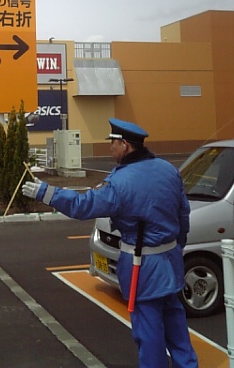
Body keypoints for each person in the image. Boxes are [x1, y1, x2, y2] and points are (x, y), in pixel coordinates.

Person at [23, 118, 198, 368]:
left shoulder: (120, 183)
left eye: (113, 142)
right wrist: (176, 245)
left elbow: (84, 206)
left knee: (150, 337)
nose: (110, 148)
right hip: (170, 262)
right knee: (177, 330)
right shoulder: (168, 170)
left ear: (125, 145)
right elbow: (183, 215)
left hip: (142, 268)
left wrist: (47, 193)